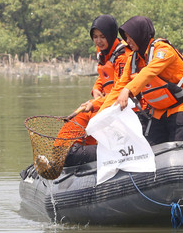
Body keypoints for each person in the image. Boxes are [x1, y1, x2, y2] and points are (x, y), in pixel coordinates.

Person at [101, 16, 183, 145]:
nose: (127, 41)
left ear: (139, 34)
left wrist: (128, 90)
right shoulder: (133, 58)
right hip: (159, 110)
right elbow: (118, 88)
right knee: (150, 147)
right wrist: (100, 115)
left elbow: (149, 72)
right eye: (125, 37)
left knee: (179, 147)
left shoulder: (164, 50)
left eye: (130, 37)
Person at [56, 15, 132, 166]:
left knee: (87, 118)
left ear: (111, 35)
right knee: (70, 133)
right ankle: (66, 151)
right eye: (95, 37)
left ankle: (109, 152)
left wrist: (96, 103)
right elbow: (103, 75)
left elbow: (120, 88)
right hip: (103, 103)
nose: (98, 41)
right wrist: (96, 88)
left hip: (118, 105)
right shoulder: (103, 51)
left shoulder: (123, 56)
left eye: (102, 37)